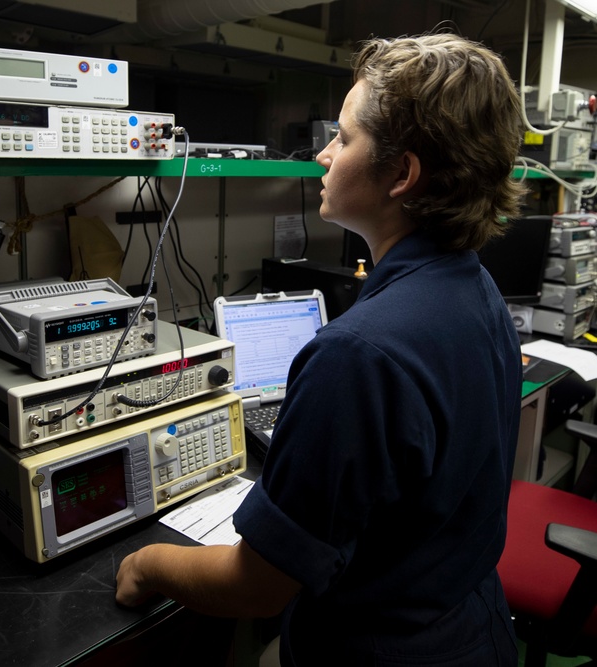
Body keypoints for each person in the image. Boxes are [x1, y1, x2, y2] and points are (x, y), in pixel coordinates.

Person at [115, 32, 526, 666]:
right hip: (473, 631)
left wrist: (148, 564)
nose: (323, 156)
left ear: (403, 174)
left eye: (344, 138)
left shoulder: (357, 354)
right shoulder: (475, 289)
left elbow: (257, 585)